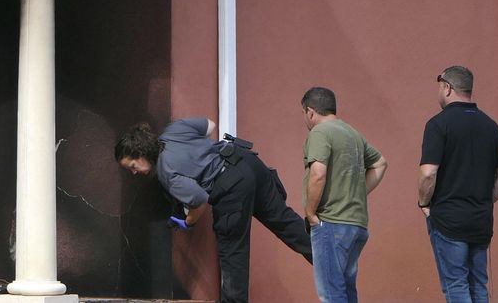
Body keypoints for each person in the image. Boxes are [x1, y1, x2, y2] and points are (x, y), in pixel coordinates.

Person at [115, 117, 312, 303]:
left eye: (132, 166)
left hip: (231, 186)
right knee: (285, 222)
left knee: (233, 253)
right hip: (246, 161)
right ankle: (328, 260)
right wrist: (201, 155)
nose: (134, 172)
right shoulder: (173, 130)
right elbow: (209, 125)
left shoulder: (167, 172)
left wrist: (189, 222)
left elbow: (199, 199)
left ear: (141, 153)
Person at [418, 66, 498, 303]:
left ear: (447, 88)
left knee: (456, 284)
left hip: (448, 219)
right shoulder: (490, 125)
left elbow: (428, 173)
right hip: (480, 219)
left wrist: (424, 203)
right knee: (478, 284)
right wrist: (485, 200)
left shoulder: (438, 125)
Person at [301, 87, 388, 303]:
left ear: (310, 111)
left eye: (303, 113)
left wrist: (310, 213)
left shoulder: (320, 132)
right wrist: (357, 192)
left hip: (331, 223)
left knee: (331, 294)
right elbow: (380, 163)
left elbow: (318, 173)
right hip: (356, 224)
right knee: (347, 291)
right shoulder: (352, 133)